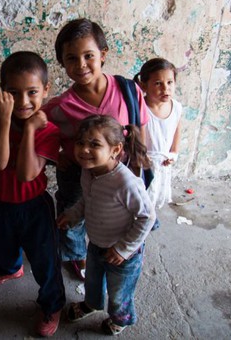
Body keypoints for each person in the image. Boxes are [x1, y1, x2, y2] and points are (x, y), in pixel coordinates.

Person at [42, 18, 149, 281]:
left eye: (88, 56)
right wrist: (57, 155)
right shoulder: (61, 105)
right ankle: (77, 255)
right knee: (71, 217)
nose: (81, 65)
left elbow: (140, 124)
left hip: (120, 170)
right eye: (71, 58)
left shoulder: (127, 90)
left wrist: (138, 163)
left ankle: (116, 249)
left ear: (102, 55)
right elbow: (37, 128)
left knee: (115, 215)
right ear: (63, 63)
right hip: (81, 172)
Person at [0, 51, 66, 337]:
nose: (24, 102)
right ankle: (9, 268)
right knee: (3, 244)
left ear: (46, 90)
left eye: (32, 92)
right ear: (2, 92)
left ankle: (52, 305)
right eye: (13, 92)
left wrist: (28, 131)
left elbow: (27, 174)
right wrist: (2, 119)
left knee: (45, 260)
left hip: (34, 207)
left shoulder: (47, 130)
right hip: (0, 202)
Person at [56, 115, 156, 336]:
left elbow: (146, 217)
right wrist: (72, 214)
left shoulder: (126, 182)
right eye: (80, 142)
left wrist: (123, 249)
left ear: (115, 149)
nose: (84, 150)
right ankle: (91, 304)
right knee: (92, 279)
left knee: (119, 292)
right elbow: (87, 199)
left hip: (124, 254)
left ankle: (120, 318)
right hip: (97, 244)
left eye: (95, 144)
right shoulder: (88, 171)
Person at [134, 58, 182, 211]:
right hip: (144, 163)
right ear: (144, 86)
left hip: (163, 163)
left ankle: (150, 215)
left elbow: (176, 135)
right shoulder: (141, 109)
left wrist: (173, 154)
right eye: (158, 84)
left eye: (170, 82)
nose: (165, 88)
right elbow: (137, 141)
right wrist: (141, 160)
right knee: (141, 195)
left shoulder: (176, 108)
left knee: (156, 195)